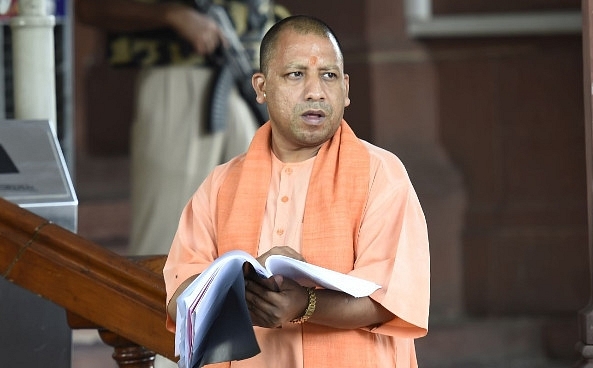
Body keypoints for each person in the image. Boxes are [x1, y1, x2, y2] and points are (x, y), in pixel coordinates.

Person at [164, 15, 430, 368]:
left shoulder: (380, 174)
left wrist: (305, 303)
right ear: (261, 87)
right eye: (296, 74)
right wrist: (243, 289)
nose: (316, 92)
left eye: (329, 76)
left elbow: (390, 299)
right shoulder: (221, 185)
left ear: (346, 89)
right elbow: (180, 297)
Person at [75, 0, 289, 258]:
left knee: (254, 245)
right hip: (180, 78)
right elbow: (91, 7)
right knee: (167, 242)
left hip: (247, 80)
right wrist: (172, 14)